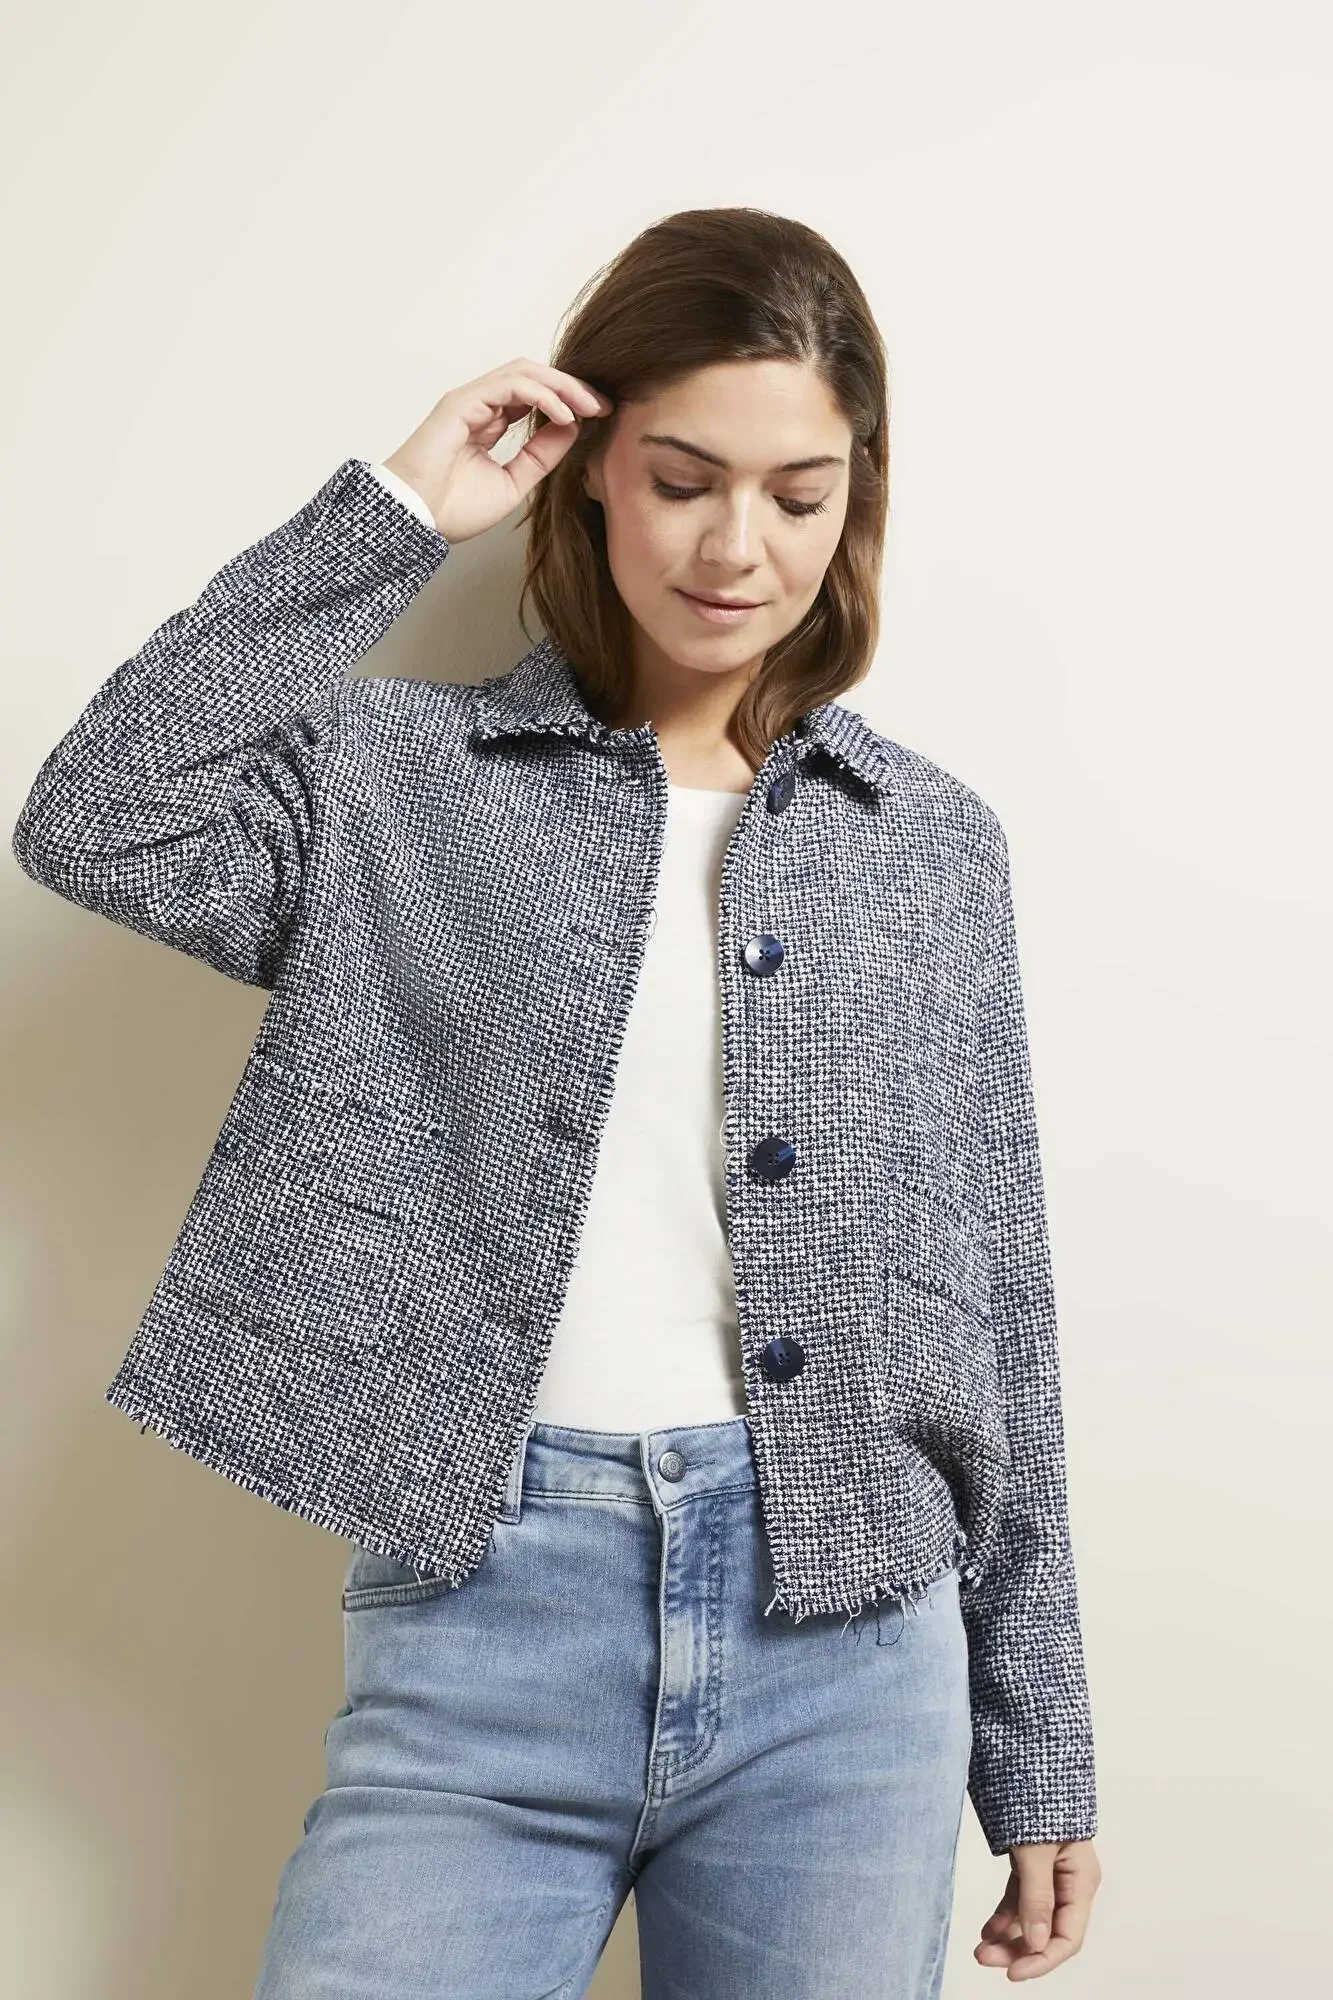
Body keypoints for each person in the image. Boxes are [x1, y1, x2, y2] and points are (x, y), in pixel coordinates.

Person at [12, 206, 1101, 1995]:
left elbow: (1001, 1304)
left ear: (855, 500)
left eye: (800, 495)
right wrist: (391, 513)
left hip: (849, 1652)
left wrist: (1040, 1741)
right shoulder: (405, 777)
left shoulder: (927, 849)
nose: (739, 547)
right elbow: (101, 818)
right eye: (683, 479)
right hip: (485, 1615)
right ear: (592, 466)